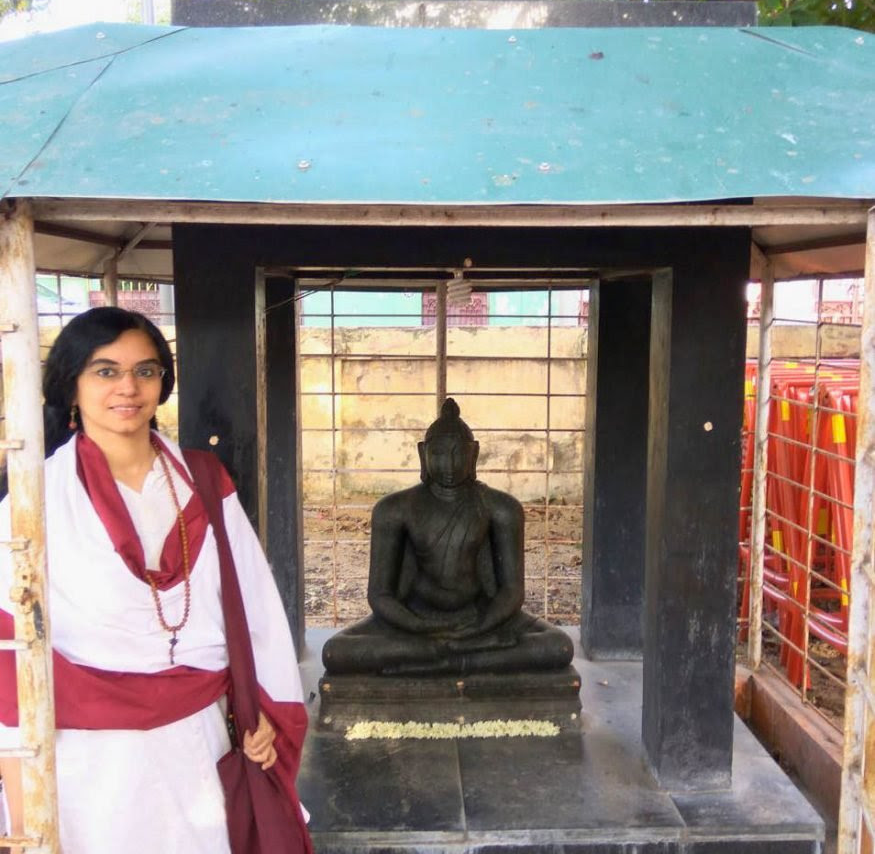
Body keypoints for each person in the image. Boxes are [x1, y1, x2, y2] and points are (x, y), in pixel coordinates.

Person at [0, 307, 311, 854]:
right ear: (70, 384)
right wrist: (24, 799)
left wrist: (258, 707)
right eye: (105, 371)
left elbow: (252, 607)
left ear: (163, 383)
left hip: (195, 737)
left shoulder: (203, 481)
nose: (128, 387)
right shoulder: (33, 499)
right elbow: (8, 651)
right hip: (86, 760)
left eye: (146, 371)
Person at [322, 397, 574, 675]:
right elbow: (380, 595)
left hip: (480, 619)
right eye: (439, 453)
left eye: (458, 453)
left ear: (473, 454)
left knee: (558, 646)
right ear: (423, 453)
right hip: (415, 620)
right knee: (336, 652)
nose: (449, 463)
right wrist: (419, 627)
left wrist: (480, 627)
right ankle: (462, 657)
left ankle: (431, 660)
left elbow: (512, 593)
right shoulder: (394, 509)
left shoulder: (501, 508)